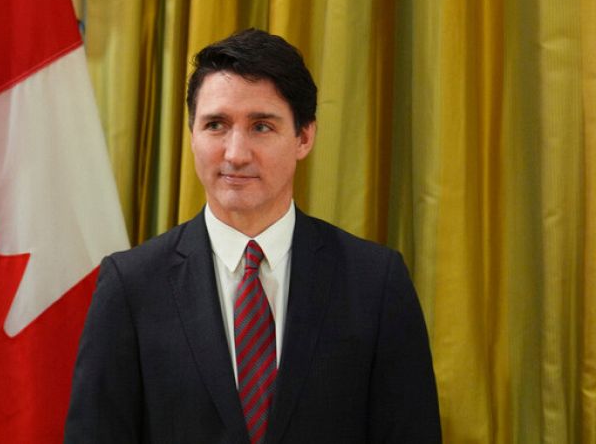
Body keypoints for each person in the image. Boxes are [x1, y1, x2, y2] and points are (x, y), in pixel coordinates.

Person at [64, 28, 440, 443]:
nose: (236, 153)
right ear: (192, 135)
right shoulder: (130, 286)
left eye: (261, 126)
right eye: (216, 125)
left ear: (303, 137)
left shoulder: (375, 282)